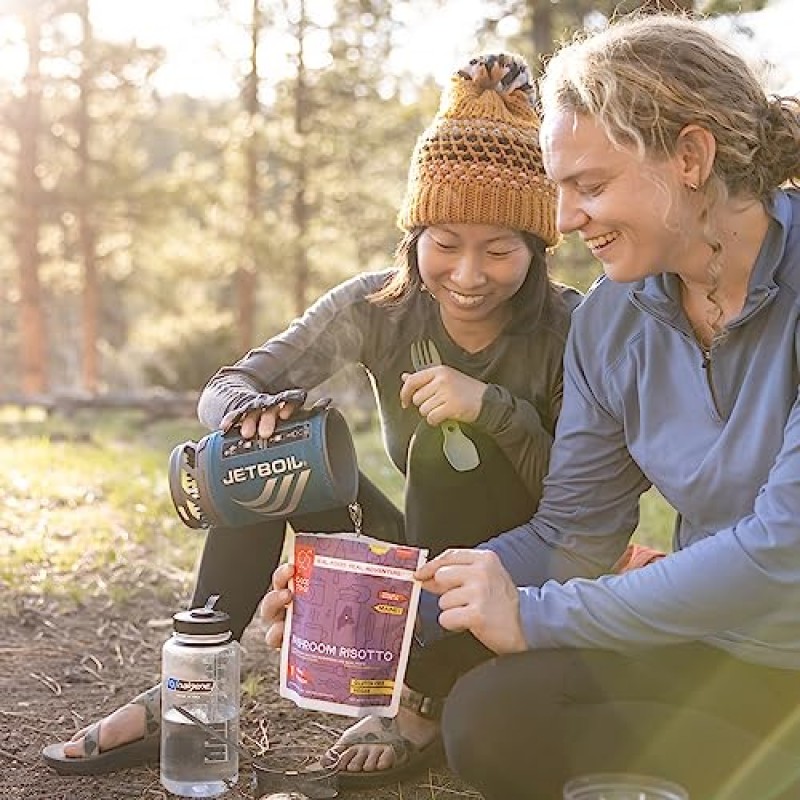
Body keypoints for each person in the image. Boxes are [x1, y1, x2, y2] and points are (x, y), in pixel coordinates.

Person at [262, 12, 800, 799]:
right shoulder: (615, 321)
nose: (566, 219)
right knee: (490, 721)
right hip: (717, 646)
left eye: (589, 186)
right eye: (560, 190)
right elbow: (574, 532)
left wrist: (537, 617)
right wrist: (389, 608)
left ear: (690, 156)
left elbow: (779, 552)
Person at [42, 52, 581, 784]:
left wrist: (493, 408)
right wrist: (251, 415)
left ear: (538, 248)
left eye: (499, 251)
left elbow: (580, 504)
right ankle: (189, 686)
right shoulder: (379, 307)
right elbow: (229, 384)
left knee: (455, 447)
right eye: (445, 245)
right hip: (413, 561)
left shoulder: (570, 328)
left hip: (520, 578)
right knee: (260, 457)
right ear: (415, 234)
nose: (467, 275)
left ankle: (422, 700)